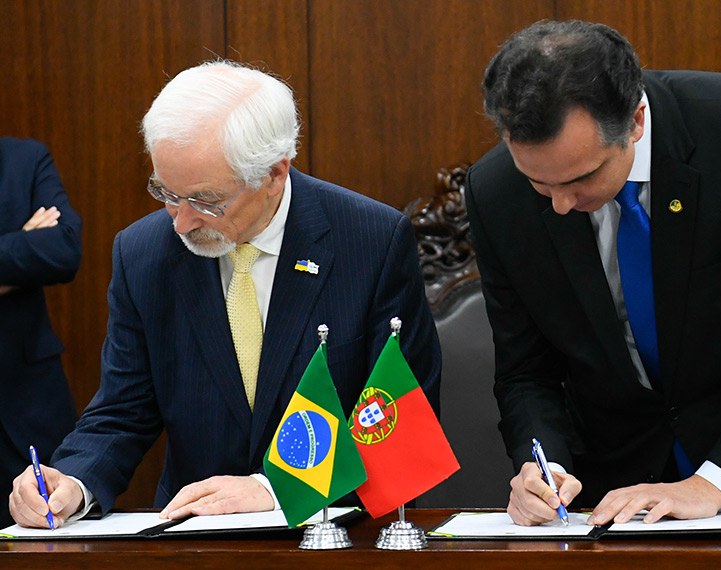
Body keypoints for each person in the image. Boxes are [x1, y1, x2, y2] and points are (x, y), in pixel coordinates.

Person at [465, 20, 721, 569]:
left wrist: (711, 483)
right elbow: (526, 370)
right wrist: (543, 466)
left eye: (579, 179)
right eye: (540, 183)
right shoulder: (495, 191)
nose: (558, 204)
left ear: (635, 121)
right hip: (615, 497)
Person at [8, 61, 441, 528]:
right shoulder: (144, 252)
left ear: (275, 173)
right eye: (166, 192)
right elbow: (123, 409)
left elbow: (394, 420)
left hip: (335, 534)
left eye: (206, 200)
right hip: (195, 540)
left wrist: (273, 488)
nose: (181, 222)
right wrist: (72, 483)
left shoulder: (370, 240)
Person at [0, 138, 81, 529]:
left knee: (50, 533)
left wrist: (34, 245)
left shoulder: (24, 158)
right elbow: (35, 252)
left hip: (28, 401)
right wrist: (21, 242)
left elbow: (62, 250)